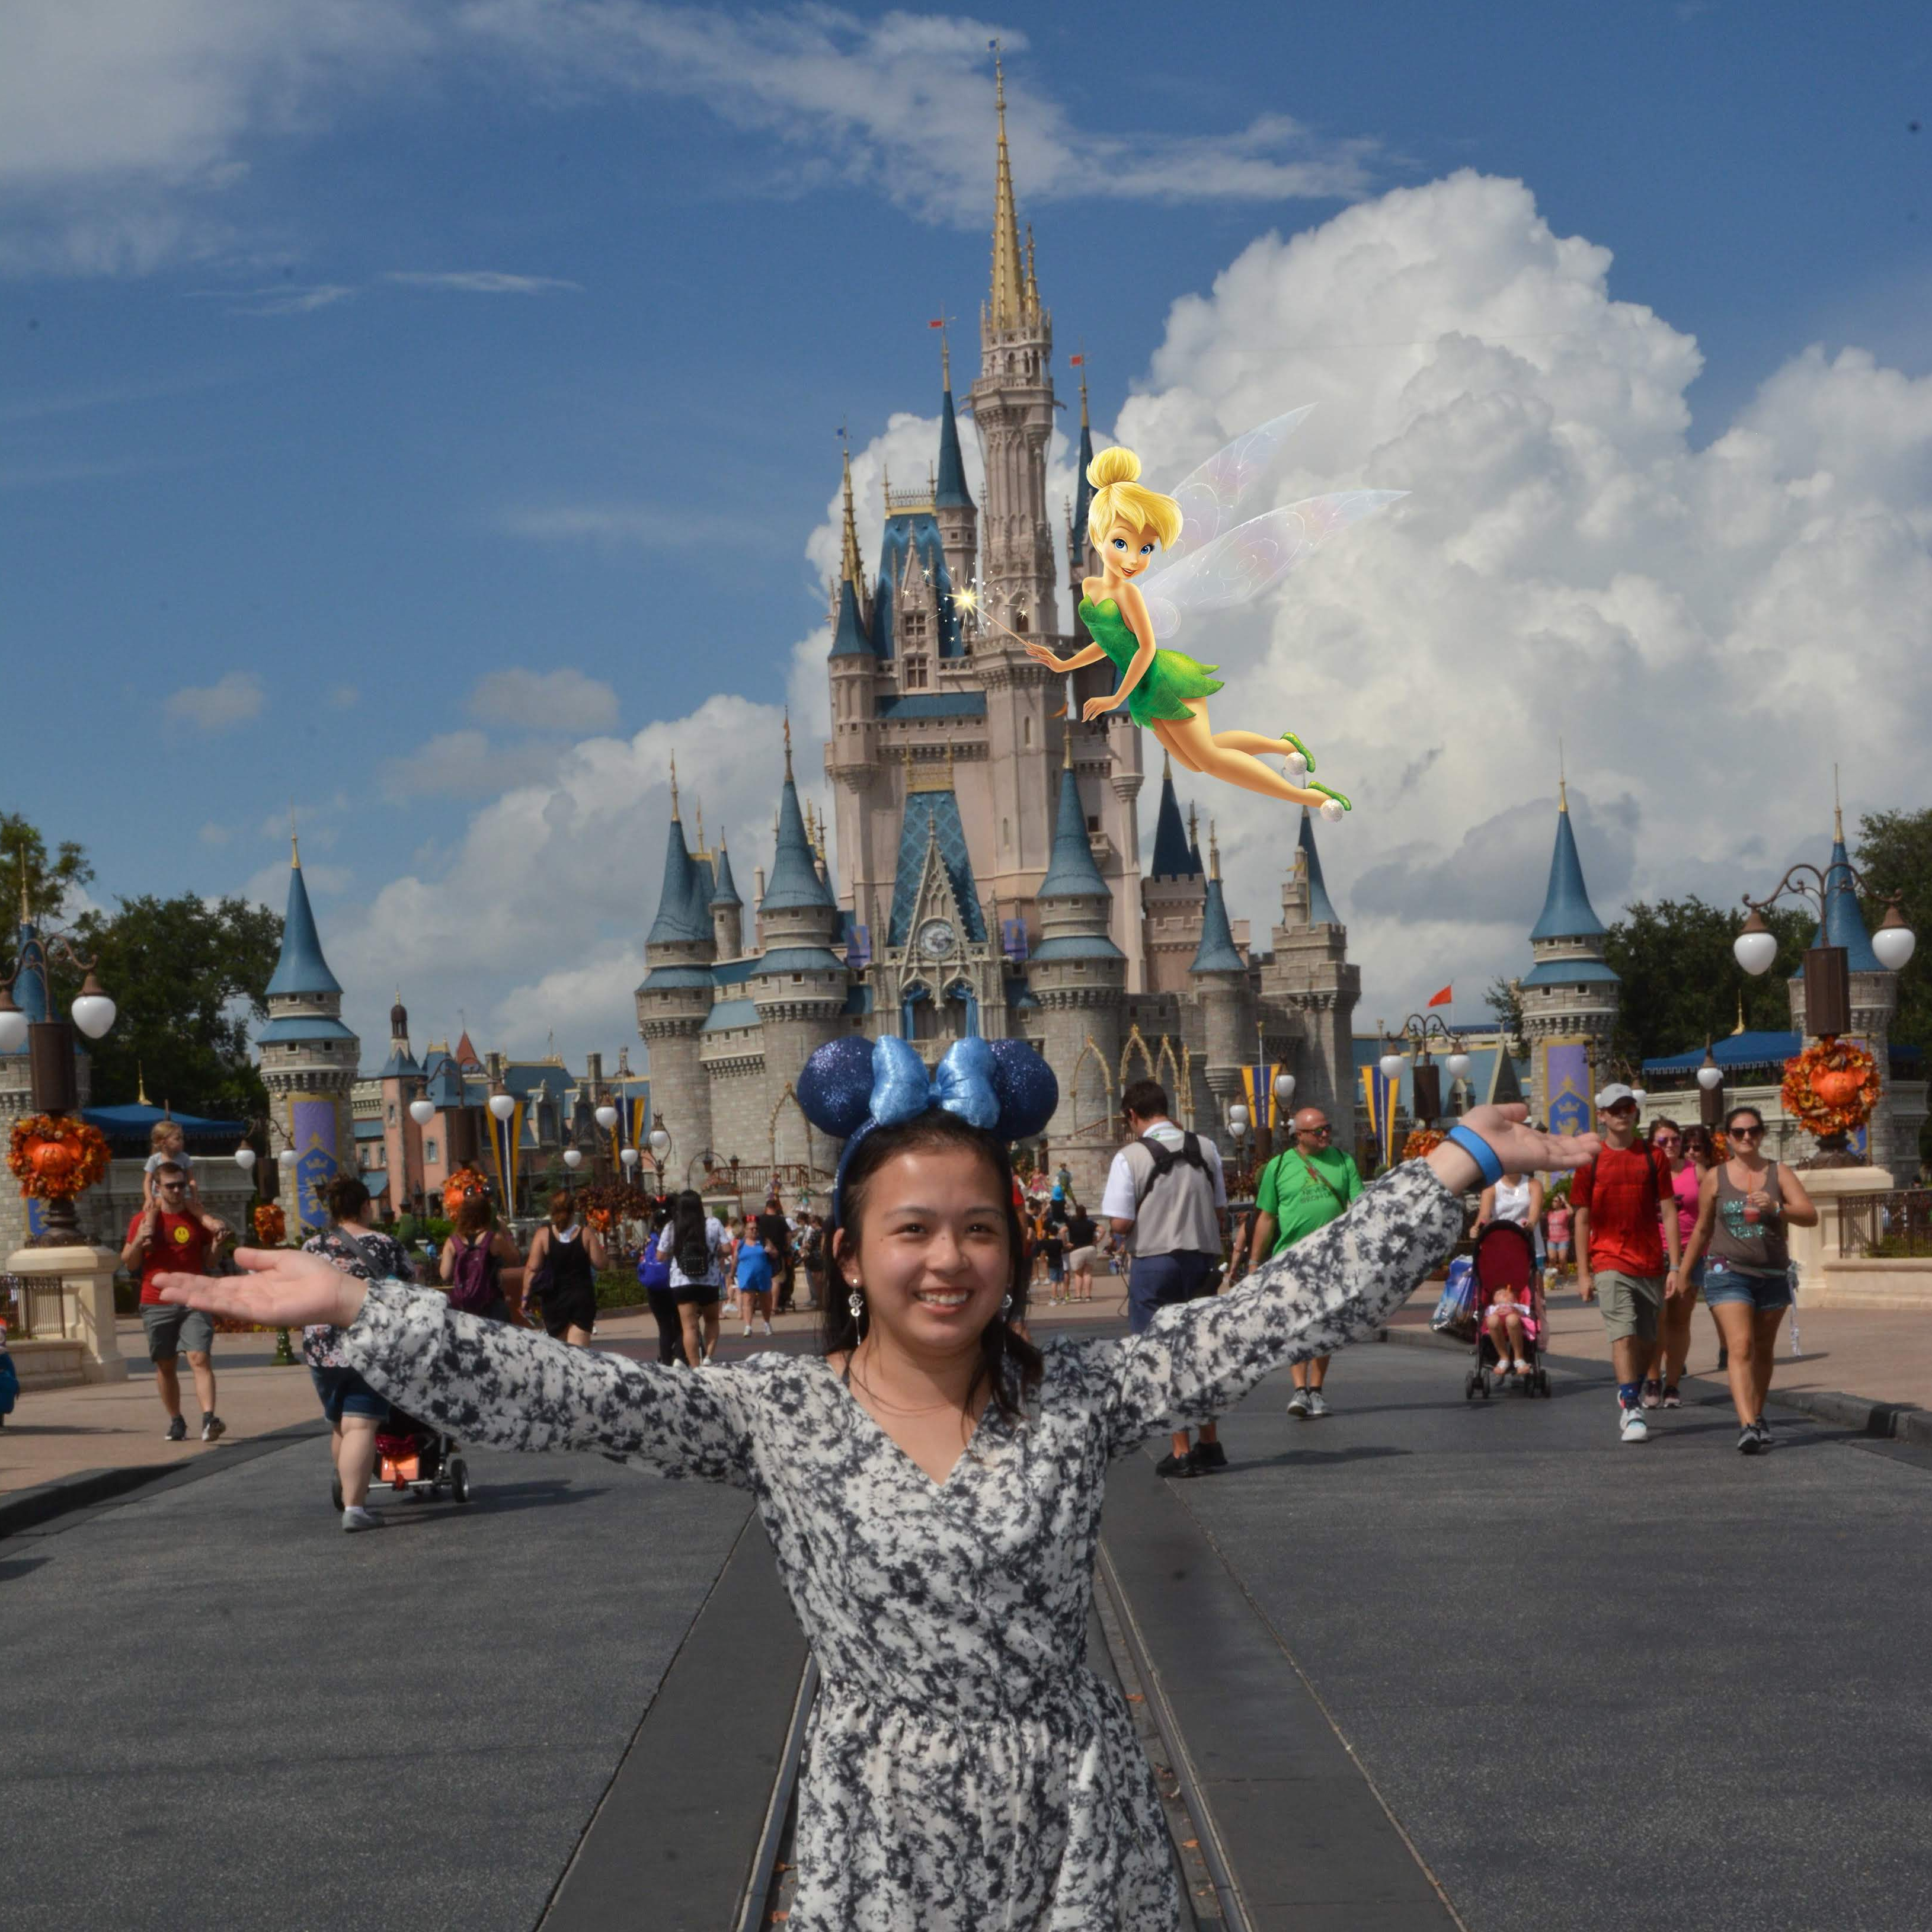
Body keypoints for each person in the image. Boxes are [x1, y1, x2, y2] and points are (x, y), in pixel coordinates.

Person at [155, 1077, 1593, 1931]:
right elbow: (567, 1393)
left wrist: (1451, 1163)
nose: (947, 1258)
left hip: (1075, 1810)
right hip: (876, 1822)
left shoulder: (1073, 1397)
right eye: (910, 1228)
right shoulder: (776, 1412)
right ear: (849, 1253)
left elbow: (1272, 1303)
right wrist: (361, 1302)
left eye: (978, 1227)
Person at [1102, 1077, 1229, 1477]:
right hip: (1203, 1262)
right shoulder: (1206, 1148)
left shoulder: (1131, 1156)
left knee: (1161, 1356)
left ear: (1132, 1115)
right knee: (1200, 1353)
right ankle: (1210, 1444)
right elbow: (1222, 1211)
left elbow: (1121, 1222)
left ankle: (1180, 1452)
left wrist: (1114, 1237)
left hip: (1156, 1264)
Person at [1680, 1105, 1819, 1454]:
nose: (1747, 1138)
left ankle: (1757, 1414)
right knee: (1740, 1346)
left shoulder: (1779, 1172)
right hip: (1727, 1272)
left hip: (1772, 1273)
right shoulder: (1716, 1176)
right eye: (1739, 1132)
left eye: (1753, 1131)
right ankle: (1747, 1426)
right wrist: (1682, 1274)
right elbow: (1702, 1228)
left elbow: (1810, 1216)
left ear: (1762, 1134)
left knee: (1763, 1349)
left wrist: (1776, 1208)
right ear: (1727, 1137)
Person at [1571, 1083, 1685, 1444]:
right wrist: (1584, 1272)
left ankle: (1630, 1387)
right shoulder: (1589, 1160)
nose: (1623, 1114)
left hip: (1650, 1259)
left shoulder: (1654, 1157)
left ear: (1635, 1112)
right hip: (1608, 1259)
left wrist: (1676, 1266)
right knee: (1622, 1331)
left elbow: (1668, 1211)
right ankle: (1632, 1406)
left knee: (1650, 1340)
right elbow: (1582, 1219)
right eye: (1615, 1109)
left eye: (1628, 1108)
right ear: (1602, 1115)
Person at [302, 1175, 413, 1530]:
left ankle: (345, 1487)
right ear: (366, 1207)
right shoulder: (386, 1245)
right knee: (361, 1423)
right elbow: (411, 1288)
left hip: (321, 1346)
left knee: (340, 1424)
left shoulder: (311, 1248)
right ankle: (355, 1507)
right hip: (368, 1344)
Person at [1247, 1105, 1362, 1418]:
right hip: (1291, 1259)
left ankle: (1317, 1390)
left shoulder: (1343, 1160)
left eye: (1327, 1128)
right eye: (1318, 1131)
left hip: (1331, 1258)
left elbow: (1359, 1208)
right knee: (1296, 1325)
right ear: (1299, 1135)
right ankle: (1299, 1391)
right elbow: (1267, 1216)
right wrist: (1254, 1262)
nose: (1325, 1134)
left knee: (1324, 1325)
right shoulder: (1279, 1165)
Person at [122, 1158, 232, 1441]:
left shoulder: (197, 1218)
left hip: (194, 1298)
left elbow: (208, 1260)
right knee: (166, 1364)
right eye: (170, 1186)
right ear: (157, 1188)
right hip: (156, 1300)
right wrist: (137, 1242)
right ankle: (176, 1420)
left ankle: (209, 1418)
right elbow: (130, 1263)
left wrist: (218, 1245)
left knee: (200, 1356)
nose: (177, 1191)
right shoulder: (142, 1220)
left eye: (181, 1185)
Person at [1647, 1119, 1713, 1409]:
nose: (1672, 1145)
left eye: (1676, 1139)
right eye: (1663, 1141)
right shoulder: (1646, 1172)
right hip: (1653, 1253)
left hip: (1690, 1254)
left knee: (1679, 1320)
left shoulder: (1696, 1171)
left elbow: (1711, 1212)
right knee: (1655, 1320)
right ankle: (1652, 1379)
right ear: (1652, 1144)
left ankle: (1672, 1385)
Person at [524, 1191, 608, 1346]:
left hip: (554, 1301)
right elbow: (601, 1264)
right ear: (573, 1210)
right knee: (579, 1357)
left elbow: (532, 1269)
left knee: (560, 1356)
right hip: (581, 1299)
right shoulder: (585, 1234)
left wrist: (525, 1298)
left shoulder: (543, 1235)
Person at [658, 1188, 730, 1364]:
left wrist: (677, 1253)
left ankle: (695, 1366)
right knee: (712, 1320)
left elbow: (660, 1256)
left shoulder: (672, 1226)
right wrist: (714, 1253)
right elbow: (728, 1249)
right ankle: (708, 1357)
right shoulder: (713, 1224)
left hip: (682, 1282)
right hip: (709, 1281)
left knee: (689, 1327)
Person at [439, 1195, 520, 1325]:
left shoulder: (452, 1242)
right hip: (492, 1306)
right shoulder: (494, 1238)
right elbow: (515, 1260)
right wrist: (507, 1233)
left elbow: (445, 1275)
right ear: (487, 1214)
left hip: (462, 1310)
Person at [638, 1207, 684, 1366]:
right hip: (673, 1285)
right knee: (680, 1323)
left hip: (655, 1288)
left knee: (664, 1326)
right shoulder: (677, 1236)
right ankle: (678, 1356)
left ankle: (665, 1360)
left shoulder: (649, 1240)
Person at [757, 1195, 795, 1314]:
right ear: (776, 1207)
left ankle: (764, 1305)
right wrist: (787, 1246)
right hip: (778, 1253)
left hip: (761, 1253)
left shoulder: (759, 1219)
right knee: (776, 1280)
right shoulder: (780, 1220)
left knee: (763, 1280)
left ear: (766, 1207)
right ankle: (774, 1306)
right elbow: (789, 1235)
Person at [1062, 1199, 1099, 1304]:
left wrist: (1066, 1243)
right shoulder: (1090, 1223)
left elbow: (1062, 1231)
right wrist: (1097, 1240)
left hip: (1077, 1249)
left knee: (1078, 1275)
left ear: (1076, 1213)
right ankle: (1088, 1296)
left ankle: (1078, 1295)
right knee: (1087, 1273)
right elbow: (1102, 1230)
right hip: (1090, 1248)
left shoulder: (1072, 1223)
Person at [1543, 1181, 1573, 1286]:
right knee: (1552, 1260)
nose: (1554, 1203)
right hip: (1552, 1239)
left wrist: (1565, 1201)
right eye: (1553, 1201)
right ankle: (1552, 1281)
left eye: (1556, 1201)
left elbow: (1571, 1212)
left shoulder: (1565, 1212)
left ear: (1560, 1203)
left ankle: (1566, 1279)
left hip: (1563, 1239)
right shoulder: (1550, 1213)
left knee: (1562, 1259)